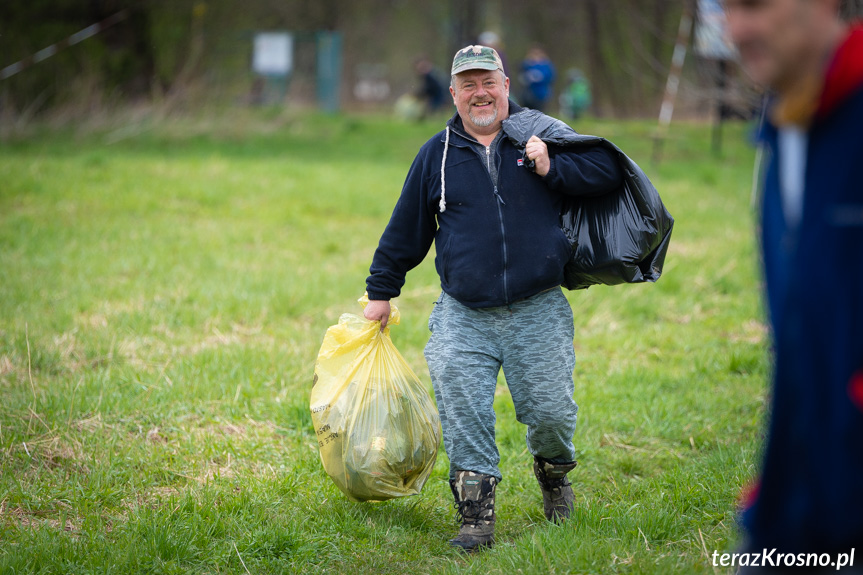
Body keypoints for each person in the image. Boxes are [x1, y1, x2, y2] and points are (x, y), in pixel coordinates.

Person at [363, 44, 622, 552]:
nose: (480, 93)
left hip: (538, 307)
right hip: (463, 314)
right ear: (455, 94)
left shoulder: (538, 134)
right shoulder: (435, 155)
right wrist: (380, 292)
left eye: (489, 82)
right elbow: (406, 230)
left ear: (506, 86)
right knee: (465, 413)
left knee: (551, 413)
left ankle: (553, 477)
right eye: (468, 85)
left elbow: (608, 171)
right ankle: (476, 517)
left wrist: (552, 168)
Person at [724, 0, 863, 569]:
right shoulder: (782, 133)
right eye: (725, 9)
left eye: (754, 5)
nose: (737, 30)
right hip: (802, 515)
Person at [519, 45, 556, 112]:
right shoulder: (527, 64)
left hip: (541, 94)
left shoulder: (546, 65)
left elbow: (550, 78)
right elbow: (522, 76)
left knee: (540, 112)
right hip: (528, 94)